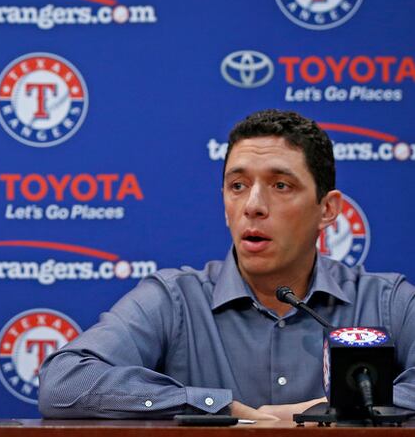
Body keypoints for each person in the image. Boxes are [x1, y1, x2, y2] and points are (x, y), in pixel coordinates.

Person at [38, 109, 415, 421]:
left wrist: (323, 412)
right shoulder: (175, 300)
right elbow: (63, 382)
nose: (253, 205)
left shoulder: (384, 302)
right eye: (237, 186)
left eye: (280, 185)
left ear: (328, 209)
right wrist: (216, 407)